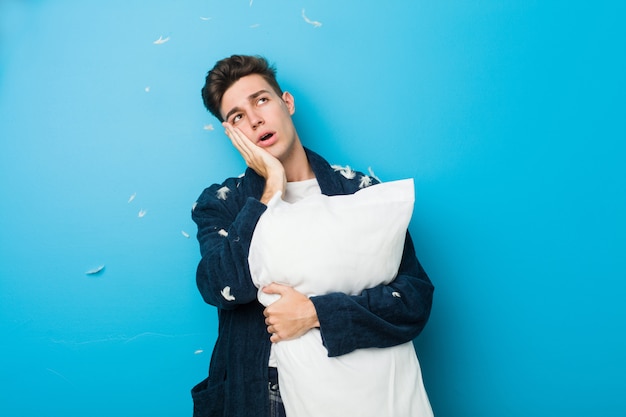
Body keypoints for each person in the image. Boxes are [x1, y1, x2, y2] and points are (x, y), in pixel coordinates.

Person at [191, 54, 434, 417]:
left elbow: (413, 301)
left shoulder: (360, 193)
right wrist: (270, 188)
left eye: (261, 100)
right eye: (237, 116)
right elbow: (223, 286)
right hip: (264, 395)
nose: (254, 118)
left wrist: (315, 313)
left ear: (286, 103)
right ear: (231, 133)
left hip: (362, 395)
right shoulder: (222, 203)